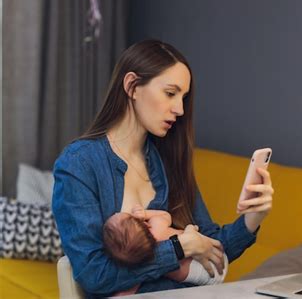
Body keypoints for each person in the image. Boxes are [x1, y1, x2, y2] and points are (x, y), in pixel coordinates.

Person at [52, 39, 274, 297]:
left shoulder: (168, 159)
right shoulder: (79, 164)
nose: (179, 109)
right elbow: (95, 276)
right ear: (132, 86)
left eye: (184, 97)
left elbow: (213, 252)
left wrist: (252, 219)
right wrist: (179, 247)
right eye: (170, 93)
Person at [103, 204, 229, 296]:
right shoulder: (157, 227)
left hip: (204, 278)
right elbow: (165, 215)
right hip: (216, 260)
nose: (115, 213)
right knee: (190, 230)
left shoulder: (141, 262)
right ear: (144, 224)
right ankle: (191, 232)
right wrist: (146, 214)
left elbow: (129, 288)